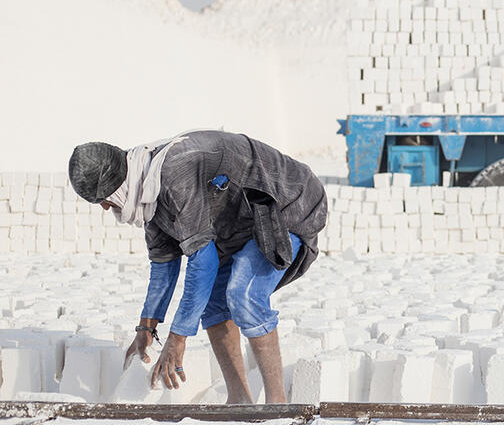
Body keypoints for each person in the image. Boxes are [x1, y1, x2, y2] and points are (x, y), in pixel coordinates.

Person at [68, 130, 327, 403]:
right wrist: (146, 329)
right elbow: (163, 265)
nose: (107, 208)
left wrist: (178, 338)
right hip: (243, 222)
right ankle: (239, 401)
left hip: (287, 205)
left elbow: (203, 262)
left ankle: (277, 404)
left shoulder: (172, 175)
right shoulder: (147, 190)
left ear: (115, 186)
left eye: (104, 200)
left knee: (243, 294)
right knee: (213, 303)